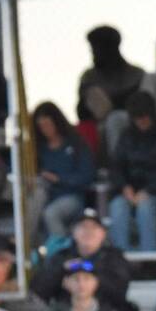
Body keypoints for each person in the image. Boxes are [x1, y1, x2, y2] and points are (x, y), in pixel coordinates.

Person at [108, 92, 156, 250]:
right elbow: (116, 166)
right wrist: (124, 187)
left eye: (145, 117)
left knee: (145, 208)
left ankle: (149, 259)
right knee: (117, 206)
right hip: (131, 192)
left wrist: (149, 190)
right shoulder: (126, 136)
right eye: (138, 118)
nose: (142, 121)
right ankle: (120, 258)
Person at [32, 101, 96, 240]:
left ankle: (60, 252)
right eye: (41, 126)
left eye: (48, 125)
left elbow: (87, 176)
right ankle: (27, 244)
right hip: (45, 196)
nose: (45, 129)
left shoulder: (76, 144)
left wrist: (59, 179)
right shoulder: (38, 149)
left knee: (51, 213)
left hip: (71, 196)